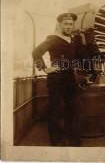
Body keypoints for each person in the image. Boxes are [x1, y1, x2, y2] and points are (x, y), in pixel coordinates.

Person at [32, 13, 81, 146]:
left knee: (72, 108)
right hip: (56, 79)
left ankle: (70, 136)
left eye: (71, 24)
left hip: (70, 78)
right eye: (65, 24)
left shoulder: (73, 40)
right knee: (56, 110)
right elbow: (36, 52)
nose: (68, 27)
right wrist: (45, 69)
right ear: (60, 25)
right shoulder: (53, 39)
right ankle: (56, 141)